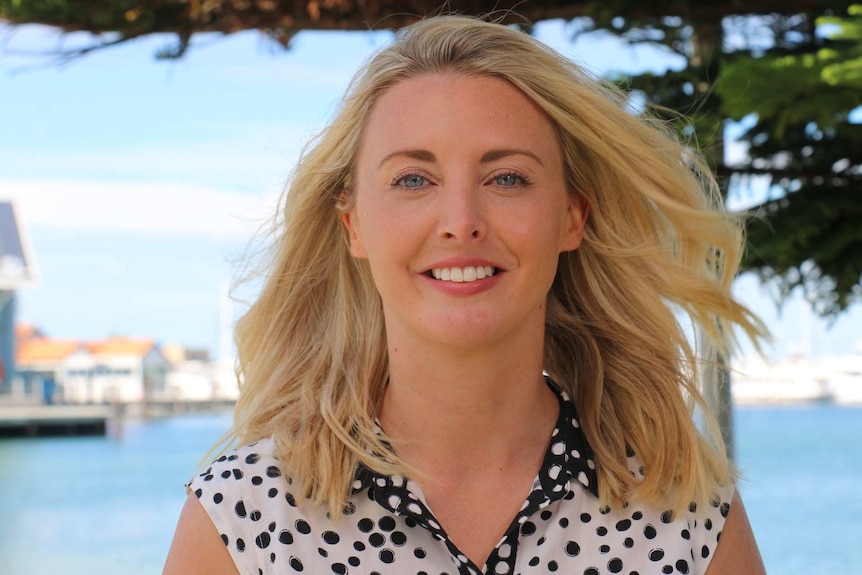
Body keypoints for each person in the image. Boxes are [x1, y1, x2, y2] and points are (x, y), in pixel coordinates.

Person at [163, 15, 768, 575]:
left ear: (571, 218)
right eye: (413, 179)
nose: (461, 220)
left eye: (507, 177)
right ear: (353, 225)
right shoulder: (243, 519)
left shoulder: (686, 514)